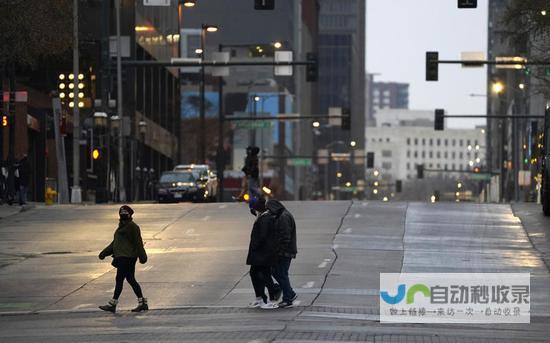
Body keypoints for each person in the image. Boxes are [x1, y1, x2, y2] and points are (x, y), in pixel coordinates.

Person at [98, 205, 148, 313]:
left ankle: (113, 304)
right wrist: (104, 253)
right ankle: (142, 303)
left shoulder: (132, 227)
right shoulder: (121, 227)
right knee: (130, 279)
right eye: (121, 213)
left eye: (125, 213)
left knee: (119, 279)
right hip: (122, 257)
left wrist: (142, 256)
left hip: (127, 257)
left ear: (130, 215)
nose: (123, 215)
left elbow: (138, 243)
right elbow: (115, 244)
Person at [246, 196, 281, 309]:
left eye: (254, 208)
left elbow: (263, 236)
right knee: (254, 273)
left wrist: (255, 246)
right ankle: (260, 298)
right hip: (259, 253)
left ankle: (272, 300)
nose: (253, 211)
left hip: (263, 253)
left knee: (265, 275)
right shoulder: (262, 216)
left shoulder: (266, 218)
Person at [266, 199, 297, 308]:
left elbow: (285, 237)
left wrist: (279, 251)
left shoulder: (283, 217)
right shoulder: (282, 215)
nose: (269, 212)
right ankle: (290, 292)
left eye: (269, 209)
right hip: (285, 251)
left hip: (285, 252)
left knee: (281, 273)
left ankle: (287, 298)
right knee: (276, 272)